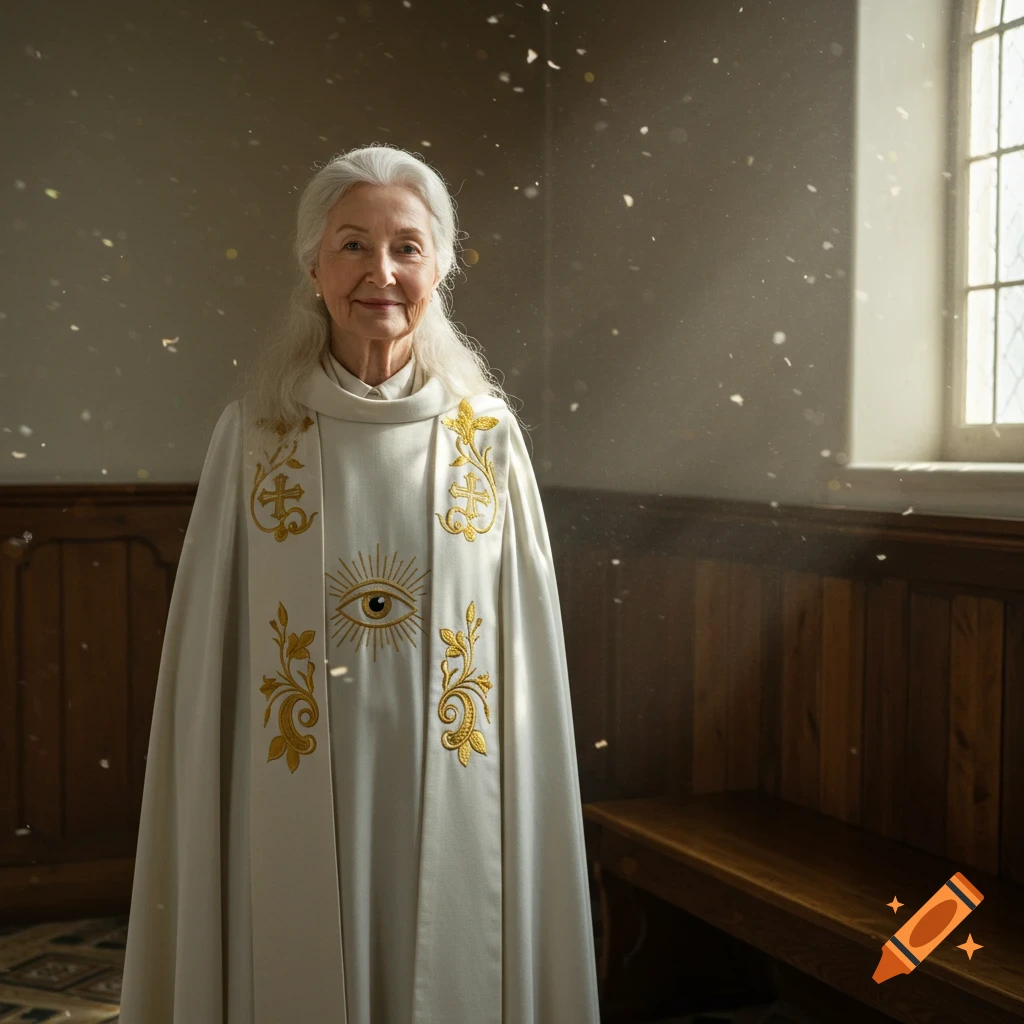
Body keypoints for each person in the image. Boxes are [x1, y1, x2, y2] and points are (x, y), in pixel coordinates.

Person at [118, 143, 601, 1024]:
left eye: (407, 247)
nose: (381, 272)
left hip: (453, 782)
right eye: (352, 245)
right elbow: (210, 656)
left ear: (441, 266)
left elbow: (524, 656)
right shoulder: (260, 434)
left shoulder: (485, 439)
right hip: (292, 778)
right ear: (312, 265)